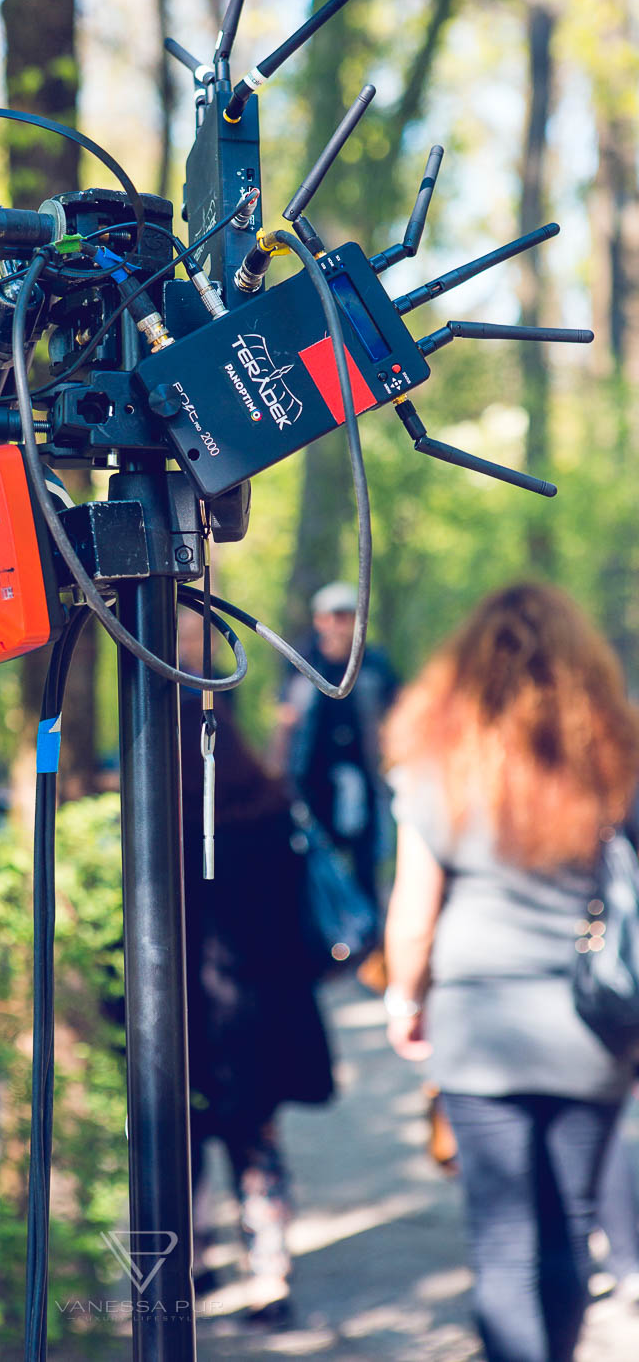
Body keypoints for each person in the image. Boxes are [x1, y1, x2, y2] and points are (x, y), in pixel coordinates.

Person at [382, 582, 639, 1362]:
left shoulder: (438, 768)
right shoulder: (616, 761)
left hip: (476, 1021)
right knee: (568, 1229)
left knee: (502, 1238)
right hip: (589, 1025)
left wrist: (404, 998)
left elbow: (415, 907)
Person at [177, 644, 335, 1324]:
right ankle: (271, 1277)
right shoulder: (271, 805)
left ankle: (191, 1267)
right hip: (261, 1012)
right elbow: (298, 920)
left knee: (182, 1144)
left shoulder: (163, 819)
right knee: (257, 1145)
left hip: (184, 1010)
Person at [272, 581, 397, 909]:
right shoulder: (300, 662)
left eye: (346, 616)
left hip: (365, 779)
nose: (339, 624)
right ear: (319, 620)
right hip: (310, 782)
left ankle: (370, 939)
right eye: (333, 616)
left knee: (367, 863)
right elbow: (285, 720)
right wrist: (276, 774)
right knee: (310, 861)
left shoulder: (375, 663)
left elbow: (395, 717)